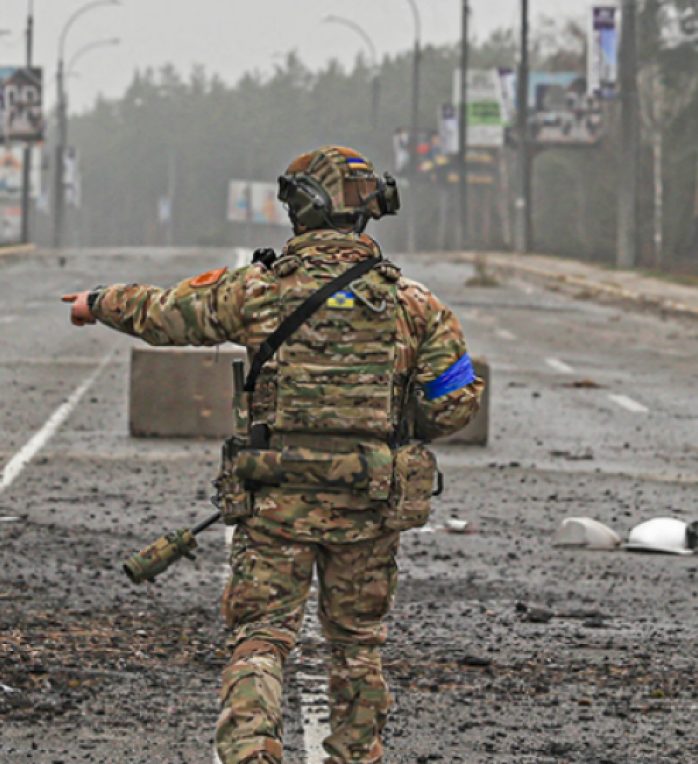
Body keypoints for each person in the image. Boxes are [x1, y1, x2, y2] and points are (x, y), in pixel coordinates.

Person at [62, 146, 484, 764]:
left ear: (300, 208)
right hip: (368, 506)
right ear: (369, 213)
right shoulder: (415, 305)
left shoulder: (258, 291)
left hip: (274, 502)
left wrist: (96, 303)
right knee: (358, 646)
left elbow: (165, 314)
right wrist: (389, 427)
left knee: (260, 639)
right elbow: (456, 403)